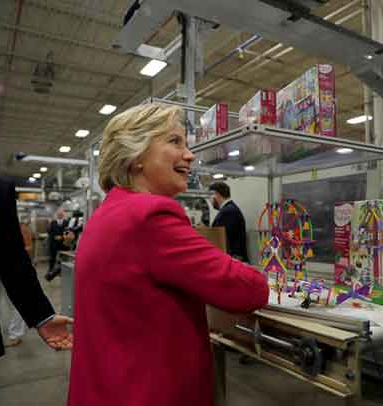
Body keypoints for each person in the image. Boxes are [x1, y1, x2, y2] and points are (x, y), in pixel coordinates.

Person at [68, 103, 269, 406]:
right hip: (148, 391)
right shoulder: (149, 215)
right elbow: (248, 290)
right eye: (175, 142)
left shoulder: (106, 213)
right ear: (135, 157)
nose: (189, 155)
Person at [0, 175, 73, 360]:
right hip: (51, 249)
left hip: (8, 274)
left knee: (9, 304)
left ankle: (15, 334)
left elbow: (11, 258)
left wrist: (41, 316)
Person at [3, 215, 35, 347]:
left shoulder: (22, 228)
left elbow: (28, 248)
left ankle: (15, 334)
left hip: (13, 270)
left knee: (16, 303)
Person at [209, 181, 250, 263]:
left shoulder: (227, 212)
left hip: (232, 261)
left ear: (216, 194)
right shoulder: (230, 209)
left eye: (210, 196)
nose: (209, 200)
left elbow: (220, 239)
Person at [45, 208, 68, 280]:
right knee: (52, 258)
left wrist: (62, 237)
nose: (60, 215)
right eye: (58, 214)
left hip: (63, 243)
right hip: (53, 243)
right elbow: (49, 232)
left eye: (61, 214)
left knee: (63, 258)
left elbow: (68, 231)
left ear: (63, 215)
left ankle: (62, 271)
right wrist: (54, 236)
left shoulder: (66, 222)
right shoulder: (53, 222)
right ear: (56, 215)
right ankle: (50, 271)